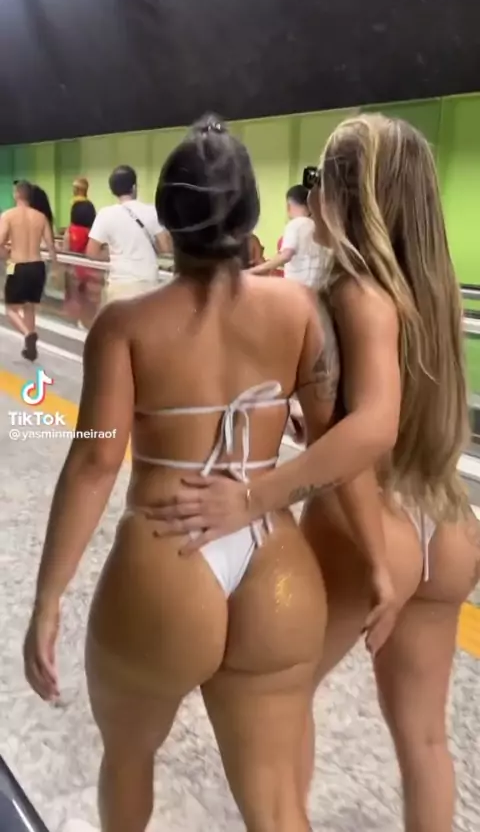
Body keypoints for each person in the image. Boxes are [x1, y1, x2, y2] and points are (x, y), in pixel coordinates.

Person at [23, 116, 365, 832]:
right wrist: (378, 559)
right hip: (274, 559)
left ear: (168, 222)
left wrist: (48, 598)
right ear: (251, 219)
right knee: (276, 804)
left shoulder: (126, 326)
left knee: (128, 761)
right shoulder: (299, 310)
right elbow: (336, 447)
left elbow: (95, 460)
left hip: (165, 555)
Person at [151, 114, 480, 832]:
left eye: (319, 180)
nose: (314, 195)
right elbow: (391, 409)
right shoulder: (433, 290)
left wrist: (257, 494)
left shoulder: (357, 290)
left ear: (348, 194)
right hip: (448, 524)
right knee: (426, 740)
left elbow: (375, 425)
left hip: (372, 523)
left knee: (279, 698)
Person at [86, 165, 170, 302]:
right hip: (147, 285)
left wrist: (113, 254)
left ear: (113, 190)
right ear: (134, 187)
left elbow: (91, 252)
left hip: (119, 285)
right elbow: (165, 247)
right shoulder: (151, 211)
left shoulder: (105, 214)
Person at [0, 180, 57, 360]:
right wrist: (56, 266)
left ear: (16, 194)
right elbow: (51, 246)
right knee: (29, 306)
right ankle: (30, 349)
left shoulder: (8, 215)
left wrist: (6, 254)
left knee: (10, 309)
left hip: (16, 265)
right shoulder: (41, 217)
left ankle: (28, 334)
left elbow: (0, 241)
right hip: (37, 266)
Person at [250, 185, 329, 286]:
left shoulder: (295, 225)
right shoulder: (319, 227)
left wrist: (254, 270)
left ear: (288, 206)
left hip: (297, 288)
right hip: (319, 288)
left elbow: (286, 255)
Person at [63, 197, 101, 329]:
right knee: (91, 301)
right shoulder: (94, 232)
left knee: (76, 298)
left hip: (74, 272)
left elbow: (66, 251)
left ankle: (78, 323)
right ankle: (90, 324)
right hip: (91, 272)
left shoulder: (70, 231)